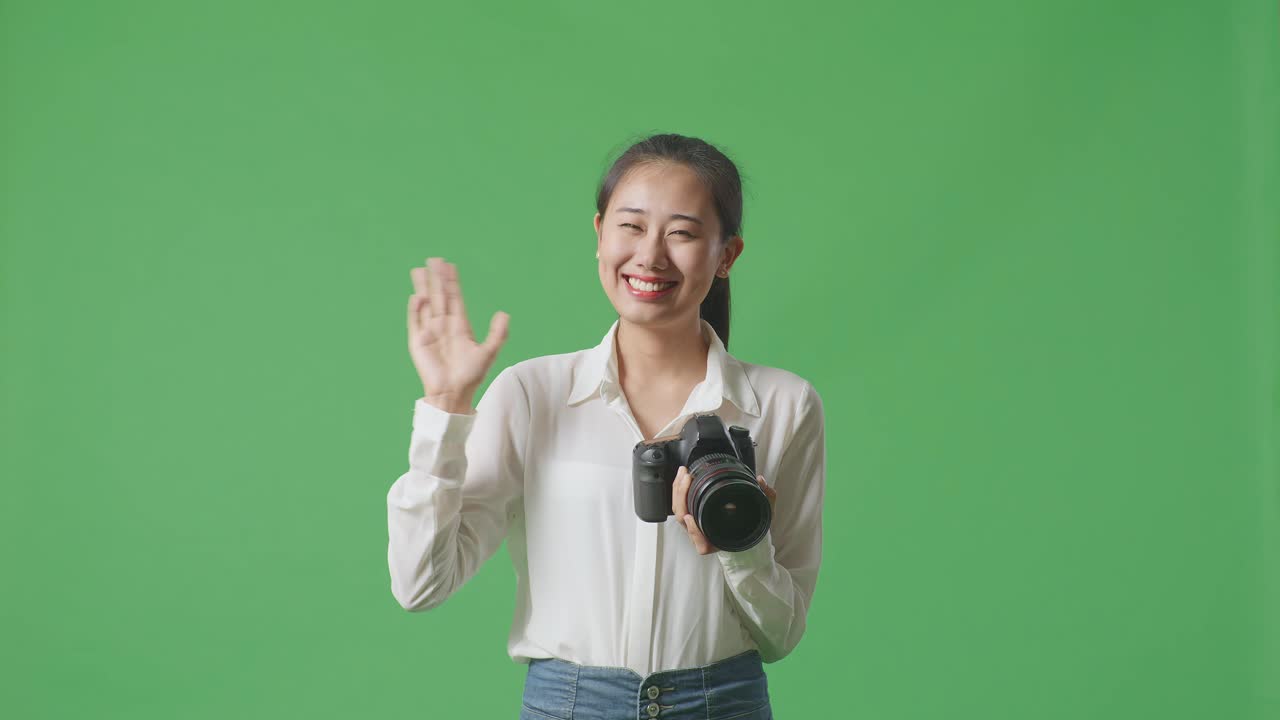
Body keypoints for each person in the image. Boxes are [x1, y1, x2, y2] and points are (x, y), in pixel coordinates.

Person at [388, 133, 826, 720]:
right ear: (599, 235)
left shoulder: (783, 404)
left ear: (727, 255)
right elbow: (421, 584)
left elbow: (781, 635)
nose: (650, 255)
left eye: (683, 232)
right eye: (632, 226)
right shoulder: (531, 394)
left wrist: (740, 547)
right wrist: (445, 407)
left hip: (725, 704)